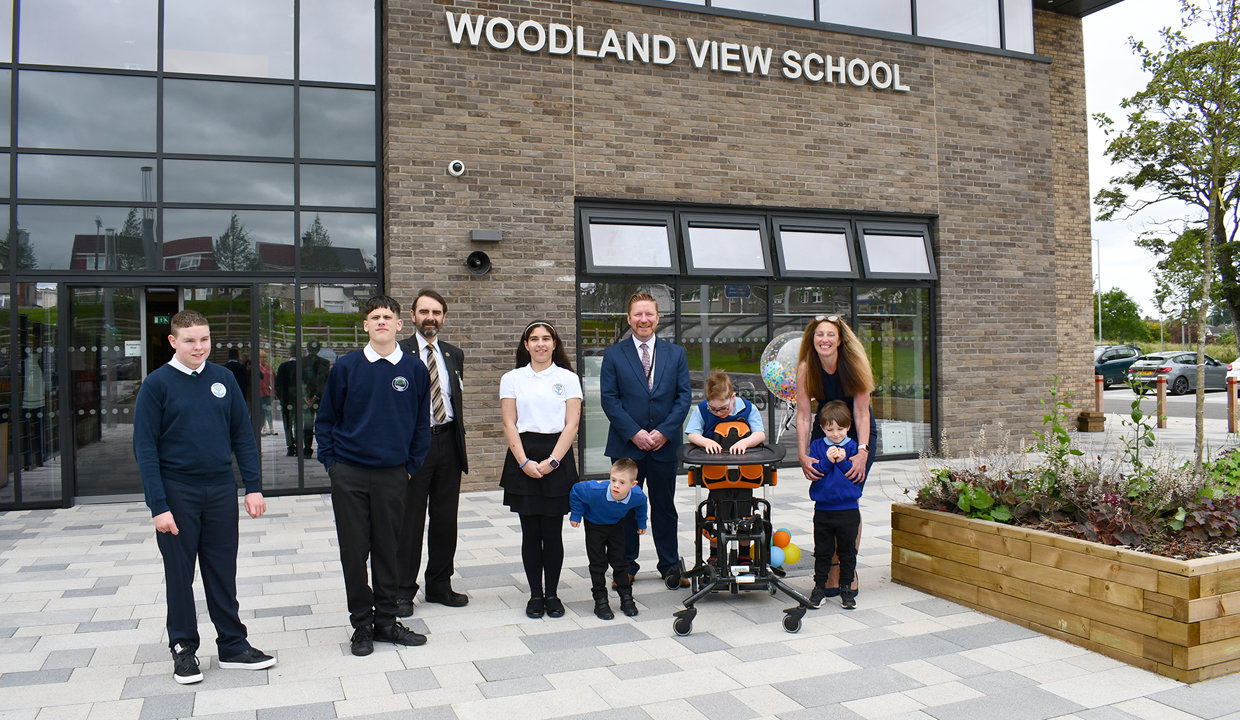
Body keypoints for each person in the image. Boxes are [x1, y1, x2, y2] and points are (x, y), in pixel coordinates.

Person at [132, 309, 275, 685]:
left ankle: (232, 645)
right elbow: (145, 448)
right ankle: (183, 648)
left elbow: (243, 436)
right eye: (191, 340)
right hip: (178, 492)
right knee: (180, 575)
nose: (199, 347)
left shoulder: (224, 379)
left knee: (222, 570)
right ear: (173, 341)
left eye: (205, 339)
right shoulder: (157, 384)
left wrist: (253, 486)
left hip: (220, 489)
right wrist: (158, 506)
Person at [315, 295, 431, 656]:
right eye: (374, 316)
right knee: (354, 551)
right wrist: (332, 464)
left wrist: (409, 467)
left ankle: (386, 622)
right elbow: (326, 420)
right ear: (365, 325)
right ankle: (361, 625)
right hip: (349, 474)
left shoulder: (413, 370)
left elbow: (420, 426)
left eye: (388, 316)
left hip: (393, 475)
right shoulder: (347, 367)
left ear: (400, 324)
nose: (381, 321)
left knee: (389, 550)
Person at [599, 292, 692, 589]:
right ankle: (625, 566)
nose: (643, 320)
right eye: (637, 314)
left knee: (664, 507)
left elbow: (683, 397)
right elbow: (609, 400)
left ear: (657, 318)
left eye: (649, 314)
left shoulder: (675, 353)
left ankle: (669, 564)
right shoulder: (614, 354)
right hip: (628, 446)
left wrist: (664, 431)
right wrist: (635, 433)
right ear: (629, 319)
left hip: (664, 446)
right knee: (624, 507)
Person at [499, 321, 582, 619]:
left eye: (546, 338)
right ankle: (535, 594)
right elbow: (509, 423)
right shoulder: (512, 378)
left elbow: (571, 424)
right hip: (523, 454)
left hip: (557, 456)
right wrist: (523, 462)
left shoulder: (569, 378)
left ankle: (553, 594)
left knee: (552, 532)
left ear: (555, 343)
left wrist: (553, 462)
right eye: (534, 339)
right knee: (530, 532)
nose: (540, 344)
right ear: (526, 345)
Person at [397, 289, 470, 613]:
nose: (430, 318)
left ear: (443, 317)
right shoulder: (399, 353)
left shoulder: (454, 354)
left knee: (445, 519)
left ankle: (440, 585)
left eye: (436, 312)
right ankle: (401, 590)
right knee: (409, 521)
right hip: (415, 446)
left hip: (448, 442)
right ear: (412, 316)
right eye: (424, 311)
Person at [794, 314, 875, 598]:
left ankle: (847, 570)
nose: (824, 340)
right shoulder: (806, 367)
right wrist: (803, 455)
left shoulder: (853, 364)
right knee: (827, 496)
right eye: (819, 335)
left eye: (830, 334)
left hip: (857, 433)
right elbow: (804, 416)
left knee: (848, 499)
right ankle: (830, 567)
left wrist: (862, 452)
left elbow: (862, 413)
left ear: (840, 339)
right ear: (812, 339)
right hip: (823, 432)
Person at [684, 369, 766, 562]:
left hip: (744, 475)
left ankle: (744, 555)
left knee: (745, 515)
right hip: (717, 475)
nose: (719, 413)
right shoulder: (703, 409)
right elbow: (692, 434)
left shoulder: (747, 408)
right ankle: (715, 554)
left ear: (733, 397)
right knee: (716, 515)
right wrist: (706, 442)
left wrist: (745, 442)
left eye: (723, 408)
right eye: (714, 409)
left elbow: (760, 434)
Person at [569, 458, 648, 620]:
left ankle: (626, 597)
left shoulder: (637, 495)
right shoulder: (594, 490)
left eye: (622, 482)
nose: (616, 485)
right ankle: (600, 600)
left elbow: (642, 504)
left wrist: (641, 522)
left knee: (620, 561)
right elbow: (576, 490)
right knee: (598, 563)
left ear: (633, 485)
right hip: (594, 525)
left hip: (616, 525)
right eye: (613, 480)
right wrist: (576, 514)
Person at [805, 400, 862, 610]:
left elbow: (854, 475)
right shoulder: (818, 446)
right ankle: (819, 588)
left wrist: (845, 460)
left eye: (840, 429)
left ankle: (846, 587)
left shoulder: (853, 447)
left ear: (848, 427)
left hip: (848, 510)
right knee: (823, 551)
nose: (835, 434)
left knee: (848, 551)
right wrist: (828, 461)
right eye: (830, 429)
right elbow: (816, 473)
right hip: (823, 510)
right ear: (822, 428)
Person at [301, 340, 331, 458]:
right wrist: (316, 396)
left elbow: (299, 380)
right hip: (320, 398)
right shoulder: (325, 362)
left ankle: (307, 449)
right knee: (321, 424)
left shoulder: (301, 362)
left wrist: (305, 396)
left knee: (307, 425)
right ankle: (322, 447)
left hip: (306, 398)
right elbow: (324, 382)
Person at [275, 344, 298, 456]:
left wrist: (281, 397)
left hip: (286, 399)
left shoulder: (283, 366)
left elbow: (278, 385)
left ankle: (290, 446)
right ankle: (299, 445)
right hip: (299, 400)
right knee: (298, 423)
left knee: (287, 424)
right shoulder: (302, 366)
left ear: (289, 353)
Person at [258, 349, 275, 435]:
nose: (264, 359)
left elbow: (274, 379)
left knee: (269, 410)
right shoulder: (257, 368)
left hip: (269, 392)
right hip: (260, 393)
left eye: (265, 357)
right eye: (262, 357)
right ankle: (263, 428)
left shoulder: (270, 368)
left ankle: (271, 428)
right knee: (263, 410)